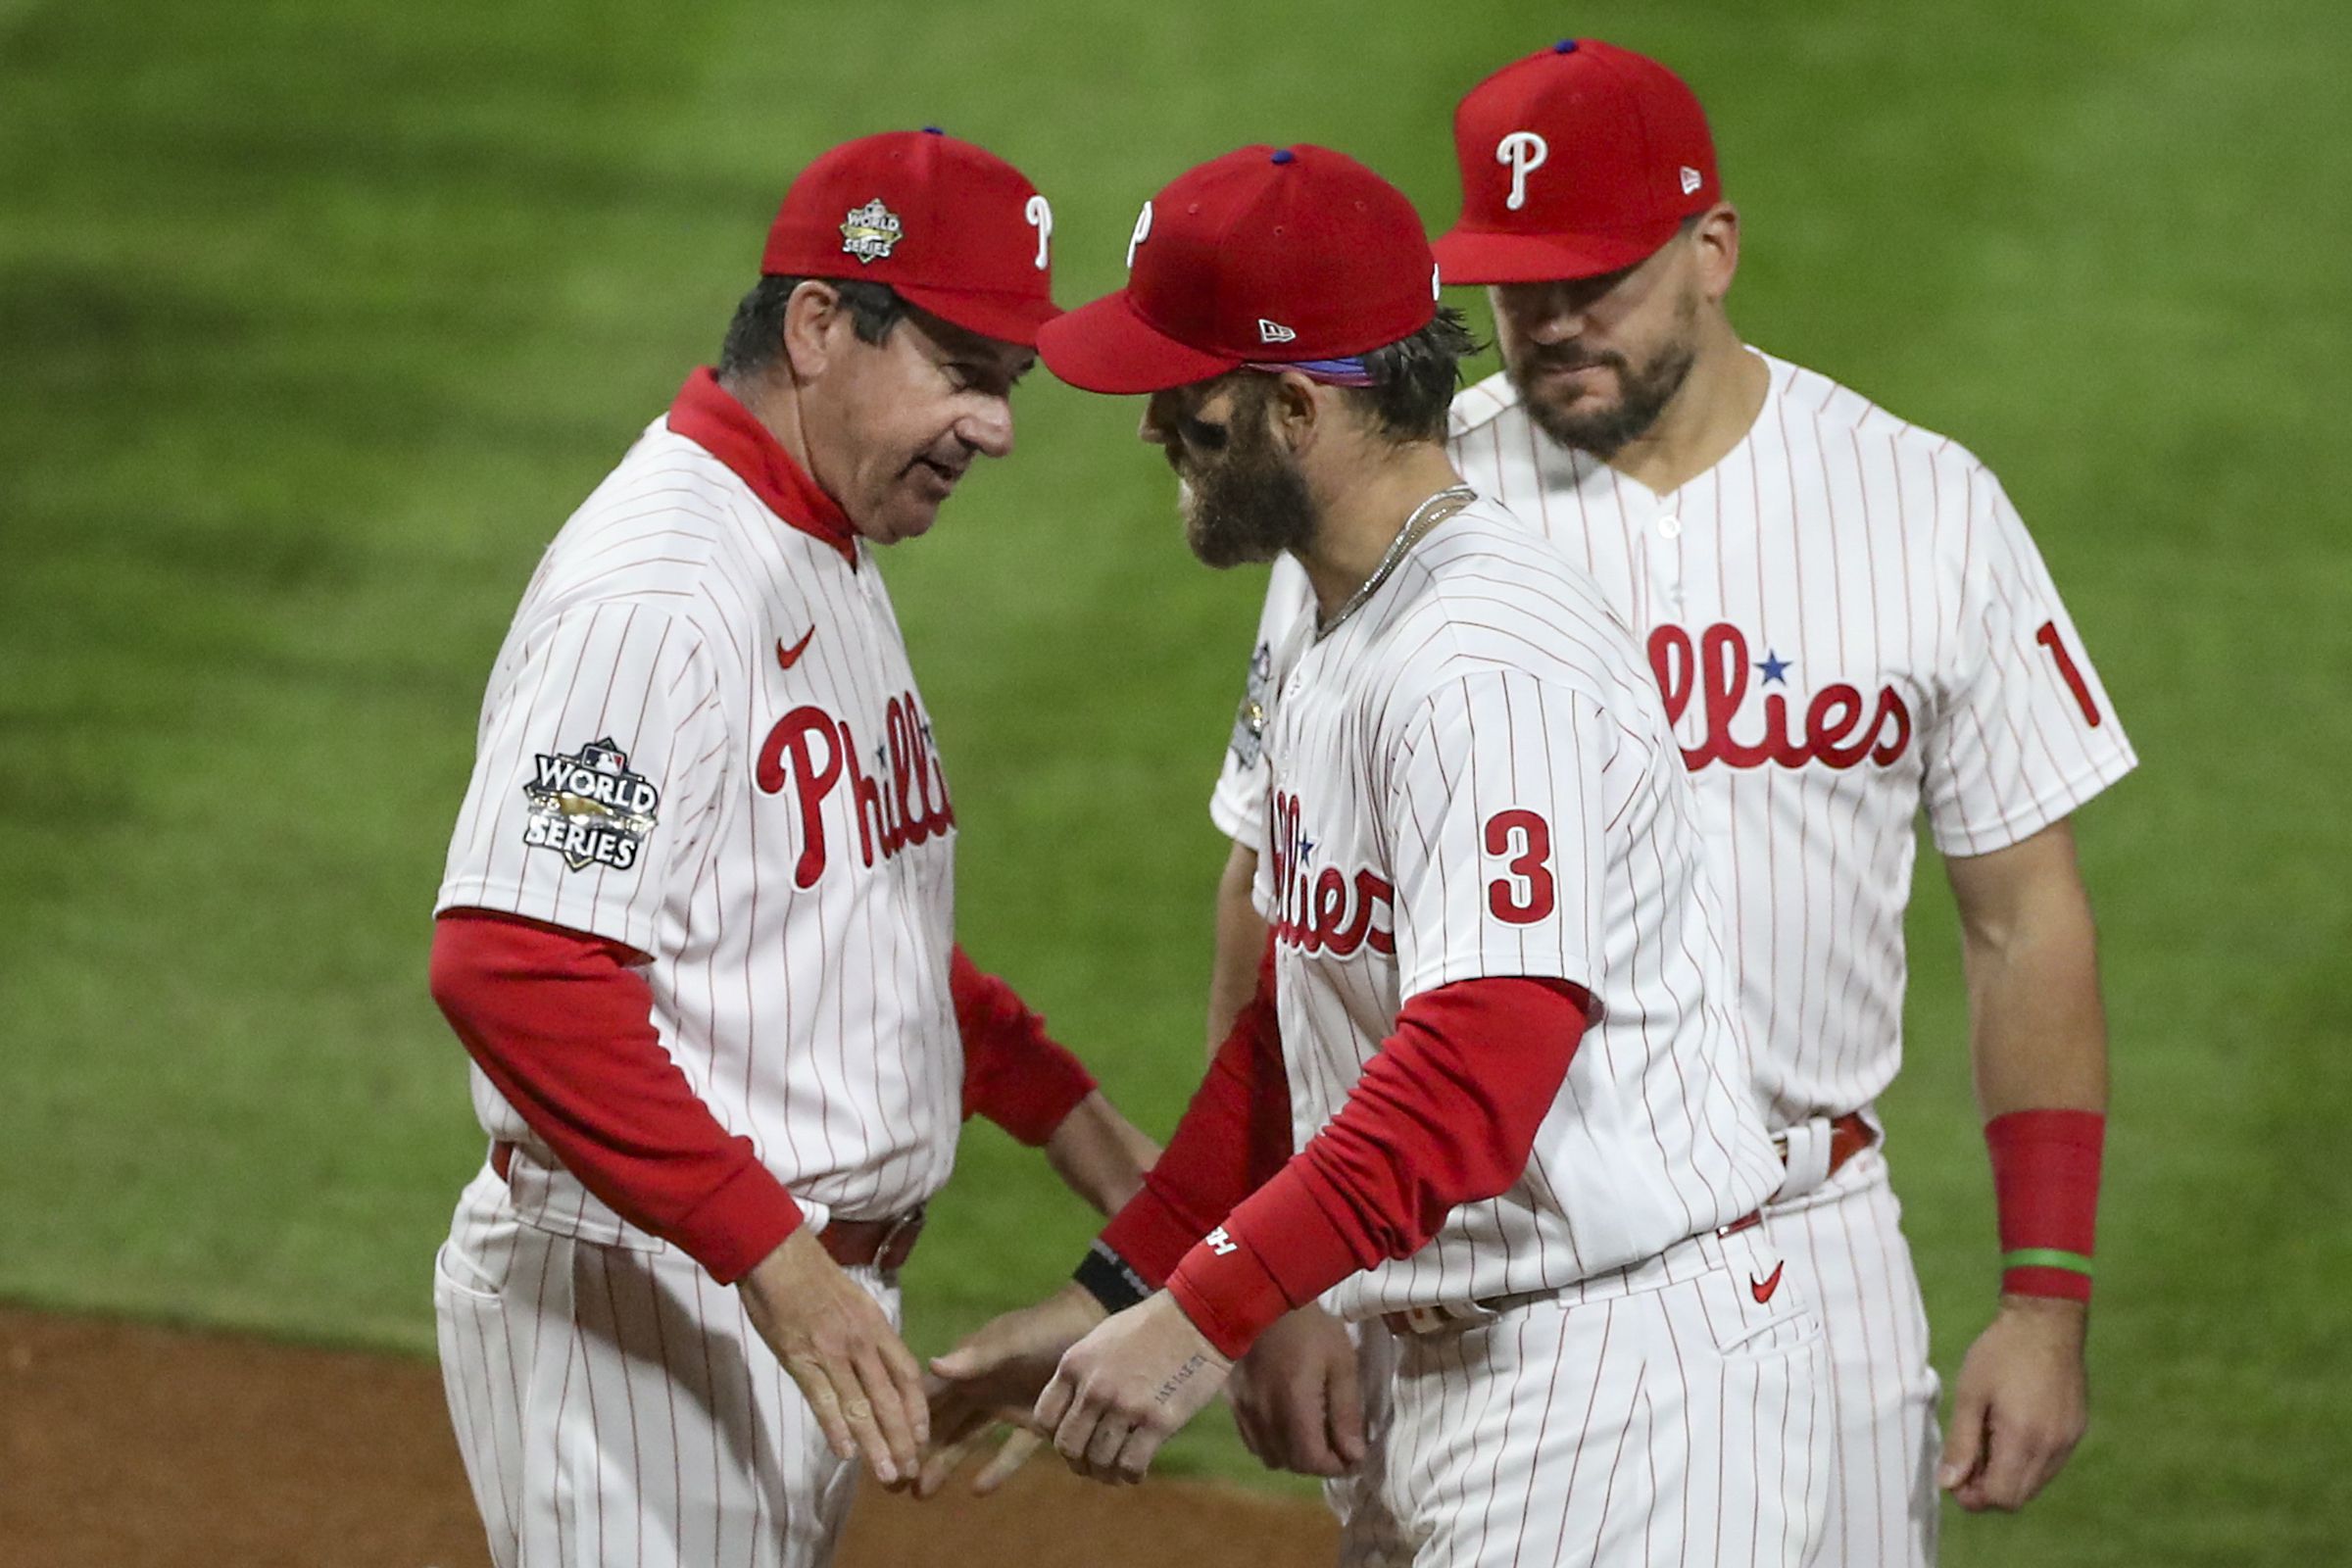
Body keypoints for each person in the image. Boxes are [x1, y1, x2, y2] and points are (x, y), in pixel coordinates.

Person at [1204, 40, 2133, 1567]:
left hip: (1811, 1239)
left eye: (1598, 277)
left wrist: (2044, 1294)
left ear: (1713, 252)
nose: (1554, 322)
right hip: (1480, 1263)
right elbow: (1283, 894)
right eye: (1516, 281)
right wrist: (1287, 1267)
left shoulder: (1920, 504)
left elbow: (2024, 917)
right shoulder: (1399, 502)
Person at [929, 141, 1830, 1568]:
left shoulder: (1481, 657)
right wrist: (1123, 1285)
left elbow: (1478, 1066)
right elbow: (1314, 1044)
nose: (1154, 428)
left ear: (1296, 405)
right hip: (1476, 1379)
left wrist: (1207, 1309)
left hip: (1612, 1403)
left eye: (1188, 400)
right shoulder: (1349, 628)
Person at [423, 128, 1156, 1568]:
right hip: (655, 1302)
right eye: (962, 371)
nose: (996, 427)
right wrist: (782, 1268)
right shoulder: (663, 589)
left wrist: (1092, 1139)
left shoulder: (817, 538)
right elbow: (514, 965)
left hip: (758, 1293)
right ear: (820, 324)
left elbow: (836, 928)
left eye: (1004, 385)